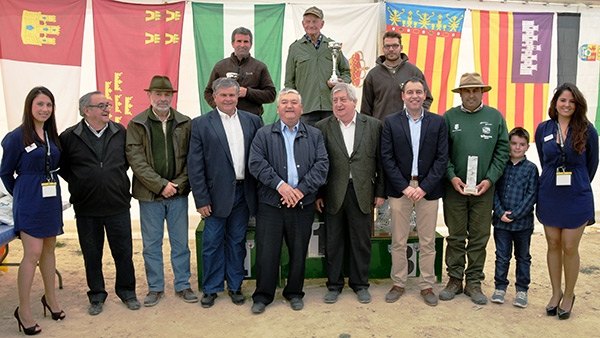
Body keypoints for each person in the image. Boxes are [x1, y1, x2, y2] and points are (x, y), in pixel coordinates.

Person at [248, 88, 329, 314]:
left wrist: (300, 190)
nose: (290, 106)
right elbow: (256, 163)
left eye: (294, 102)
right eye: (285, 102)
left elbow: (322, 166)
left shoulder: (314, 135)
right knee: (267, 252)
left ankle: (294, 292)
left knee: (298, 251)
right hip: (271, 205)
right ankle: (263, 295)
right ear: (278, 108)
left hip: (302, 204)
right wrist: (281, 187)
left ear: (301, 108)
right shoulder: (264, 134)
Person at [59, 91, 139, 315]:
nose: (107, 109)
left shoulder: (120, 132)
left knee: (123, 252)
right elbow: (64, 168)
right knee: (91, 254)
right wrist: (84, 181)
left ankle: (127, 292)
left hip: (117, 205)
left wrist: (110, 179)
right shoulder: (69, 137)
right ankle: (96, 295)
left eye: (108, 104)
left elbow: (125, 163)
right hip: (86, 207)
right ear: (87, 110)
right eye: (101, 105)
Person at [189, 78, 263, 308]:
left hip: (244, 193)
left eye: (232, 95)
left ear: (238, 96)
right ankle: (211, 288)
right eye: (223, 96)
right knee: (211, 242)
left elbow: (260, 157)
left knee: (237, 242)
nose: (228, 99)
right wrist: (201, 199)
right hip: (214, 196)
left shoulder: (253, 121)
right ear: (214, 97)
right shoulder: (201, 124)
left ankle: (235, 286)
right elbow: (195, 165)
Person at [126, 75, 198, 307]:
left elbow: (192, 158)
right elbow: (136, 161)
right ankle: (155, 288)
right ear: (149, 96)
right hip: (149, 196)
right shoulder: (137, 124)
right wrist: (160, 185)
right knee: (152, 244)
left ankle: (183, 284)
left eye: (167, 94)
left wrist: (176, 184)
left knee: (180, 243)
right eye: (158, 94)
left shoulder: (185, 122)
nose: (163, 98)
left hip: (177, 193)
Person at [439, 72, 509, 305]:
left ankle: (474, 282)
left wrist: (489, 180)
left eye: (475, 90)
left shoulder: (495, 117)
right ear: (460, 94)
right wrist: (451, 177)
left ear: (482, 92)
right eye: (467, 91)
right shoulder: (449, 118)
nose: (471, 95)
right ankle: (455, 279)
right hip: (454, 190)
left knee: (479, 236)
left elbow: (502, 152)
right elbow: (442, 153)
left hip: (484, 191)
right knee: (456, 236)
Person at [0, 86, 65, 335]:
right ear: (30, 107)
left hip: (50, 198)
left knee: (49, 250)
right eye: (40, 104)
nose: (45, 109)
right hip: (28, 199)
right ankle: (23, 311)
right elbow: (5, 172)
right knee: (33, 253)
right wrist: (22, 193)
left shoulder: (52, 135)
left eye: (49, 105)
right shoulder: (16, 137)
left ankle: (50, 300)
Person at [380, 77, 448, 306]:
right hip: (401, 189)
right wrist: (405, 187)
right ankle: (398, 282)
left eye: (418, 92)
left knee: (427, 241)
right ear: (403, 96)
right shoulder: (390, 123)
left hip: (428, 189)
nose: (414, 96)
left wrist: (425, 187)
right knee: (398, 239)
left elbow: (442, 158)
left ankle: (427, 285)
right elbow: (386, 158)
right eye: (410, 92)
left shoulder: (438, 122)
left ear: (425, 95)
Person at [315, 83, 384, 304]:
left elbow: (381, 163)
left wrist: (380, 192)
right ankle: (334, 285)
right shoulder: (322, 127)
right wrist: (318, 194)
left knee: (360, 241)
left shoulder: (373, 126)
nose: (338, 104)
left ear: (354, 101)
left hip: (363, 192)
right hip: (333, 193)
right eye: (335, 101)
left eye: (343, 99)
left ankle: (360, 284)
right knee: (333, 242)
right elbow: (317, 164)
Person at [535, 83, 598, 320]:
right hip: (550, 192)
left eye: (572, 101)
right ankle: (555, 292)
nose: (567, 105)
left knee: (570, 246)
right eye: (563, 100)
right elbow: (544, 159)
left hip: (577, 194)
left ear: (577, 104)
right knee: (553, 243)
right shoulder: (544, 129)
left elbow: (592, 163)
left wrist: (579, 182)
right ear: (555, 103)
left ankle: (569, 295)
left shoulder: (587, 130)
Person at [490, 127, 538, 308]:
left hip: (523, 225)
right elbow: (493, 191)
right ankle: (500, 287)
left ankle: (522, 290)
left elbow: (532, 195)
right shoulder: (500, 166)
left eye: (522, 144)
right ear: (508, 144)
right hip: (501, 223)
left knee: (523, 257)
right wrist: (500, 212)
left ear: (527, 147)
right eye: (514, 143)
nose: (517, 147)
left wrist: (515, 214)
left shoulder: (531, 169)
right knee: (502, 256)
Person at [284, 6, 351, 126]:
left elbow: (346, 72)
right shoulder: (295, 48)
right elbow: (289, 82)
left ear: (322, 24)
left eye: (315, 21)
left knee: (332, 144)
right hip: (306, 110)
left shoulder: (332, 46)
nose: (311, 25)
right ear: (303, 24)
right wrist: (294, 105)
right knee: (307, 144)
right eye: (308, 21)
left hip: (331, 108)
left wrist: (341, 83)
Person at [204, 27, 276, 116]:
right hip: (224, 119)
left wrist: (248, 92)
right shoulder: (220, 66)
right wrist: (219, 107)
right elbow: (208, 92)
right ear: (232, 43)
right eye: (239, 41)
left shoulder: (260, 67)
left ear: (251, 44)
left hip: (252, 120)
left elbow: (271, 95)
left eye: (246, 42)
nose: (242, 45)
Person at [361, 31, 433, 121]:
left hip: (407, 129)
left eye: (395, 46)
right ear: (383, 48)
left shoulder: (414, 72)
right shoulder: (373, 75)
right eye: (387, 46)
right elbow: (366, 109)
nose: (391, 49)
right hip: (381, 130)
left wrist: (416, 118)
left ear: (401, 47)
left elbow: (427, 99)